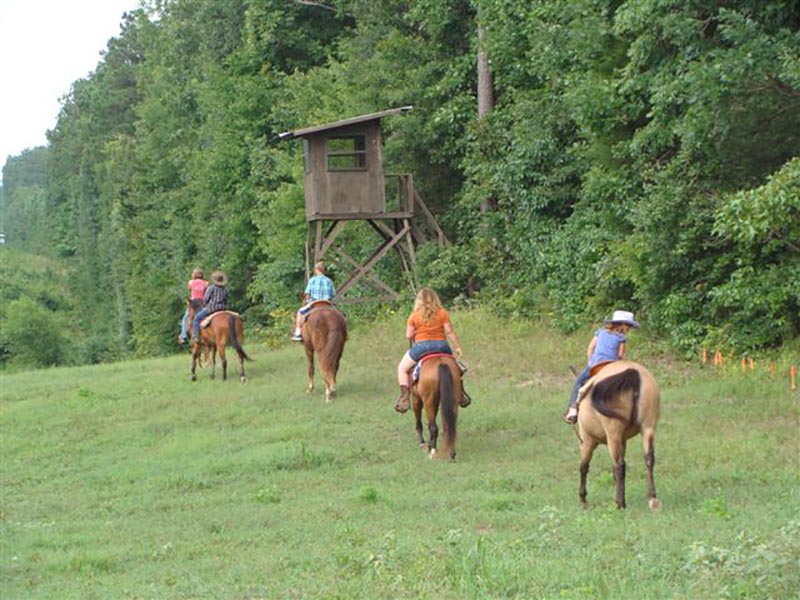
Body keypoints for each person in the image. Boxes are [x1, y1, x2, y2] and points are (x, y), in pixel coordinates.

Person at [394, 287, 471, 413]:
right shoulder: (442, 313)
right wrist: (457, 346)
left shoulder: (414, 316)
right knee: (457, 367)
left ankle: (404, 398)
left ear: (418, 301)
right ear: (435, 299)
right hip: (442, 345)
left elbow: (408, 335)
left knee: (402, 368)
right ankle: (461, 393)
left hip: (421, 347)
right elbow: (450, 331)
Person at [564, 309, 640, 424]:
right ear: (622, 324)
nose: (629, 328)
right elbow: (620, 355)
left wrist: (591, 362)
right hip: (612, 366)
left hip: (596, 365)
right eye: (628, 325)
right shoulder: (621, 338)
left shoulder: (600, 332)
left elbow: (590, 348)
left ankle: (573, 410)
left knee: (578, 382)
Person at [292, 261, 336, 341]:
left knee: (300, 312)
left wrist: (307, 300)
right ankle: (343, 332)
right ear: (324, 270)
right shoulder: (329, 281)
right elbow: (333, 294)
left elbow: (307, 294)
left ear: (316, 270)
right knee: (340, 315)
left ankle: (297, 333)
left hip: (315, 303)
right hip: (327, 303)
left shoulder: (312, 280)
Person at [191, 270, 228, 343]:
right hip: (223, 308)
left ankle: (196, 336)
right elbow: (226, 299)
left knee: (196, 318)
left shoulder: (211, 287)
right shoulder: (224, 289)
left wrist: (205, 304)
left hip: (212, 308)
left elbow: (205, 299)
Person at [178, 268, 208, 344]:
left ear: (193, 274)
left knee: (185, 318)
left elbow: (190, 290)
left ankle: (183, 336)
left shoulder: (191, 282)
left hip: (193, 303)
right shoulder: (206, 283)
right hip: (202, 303)